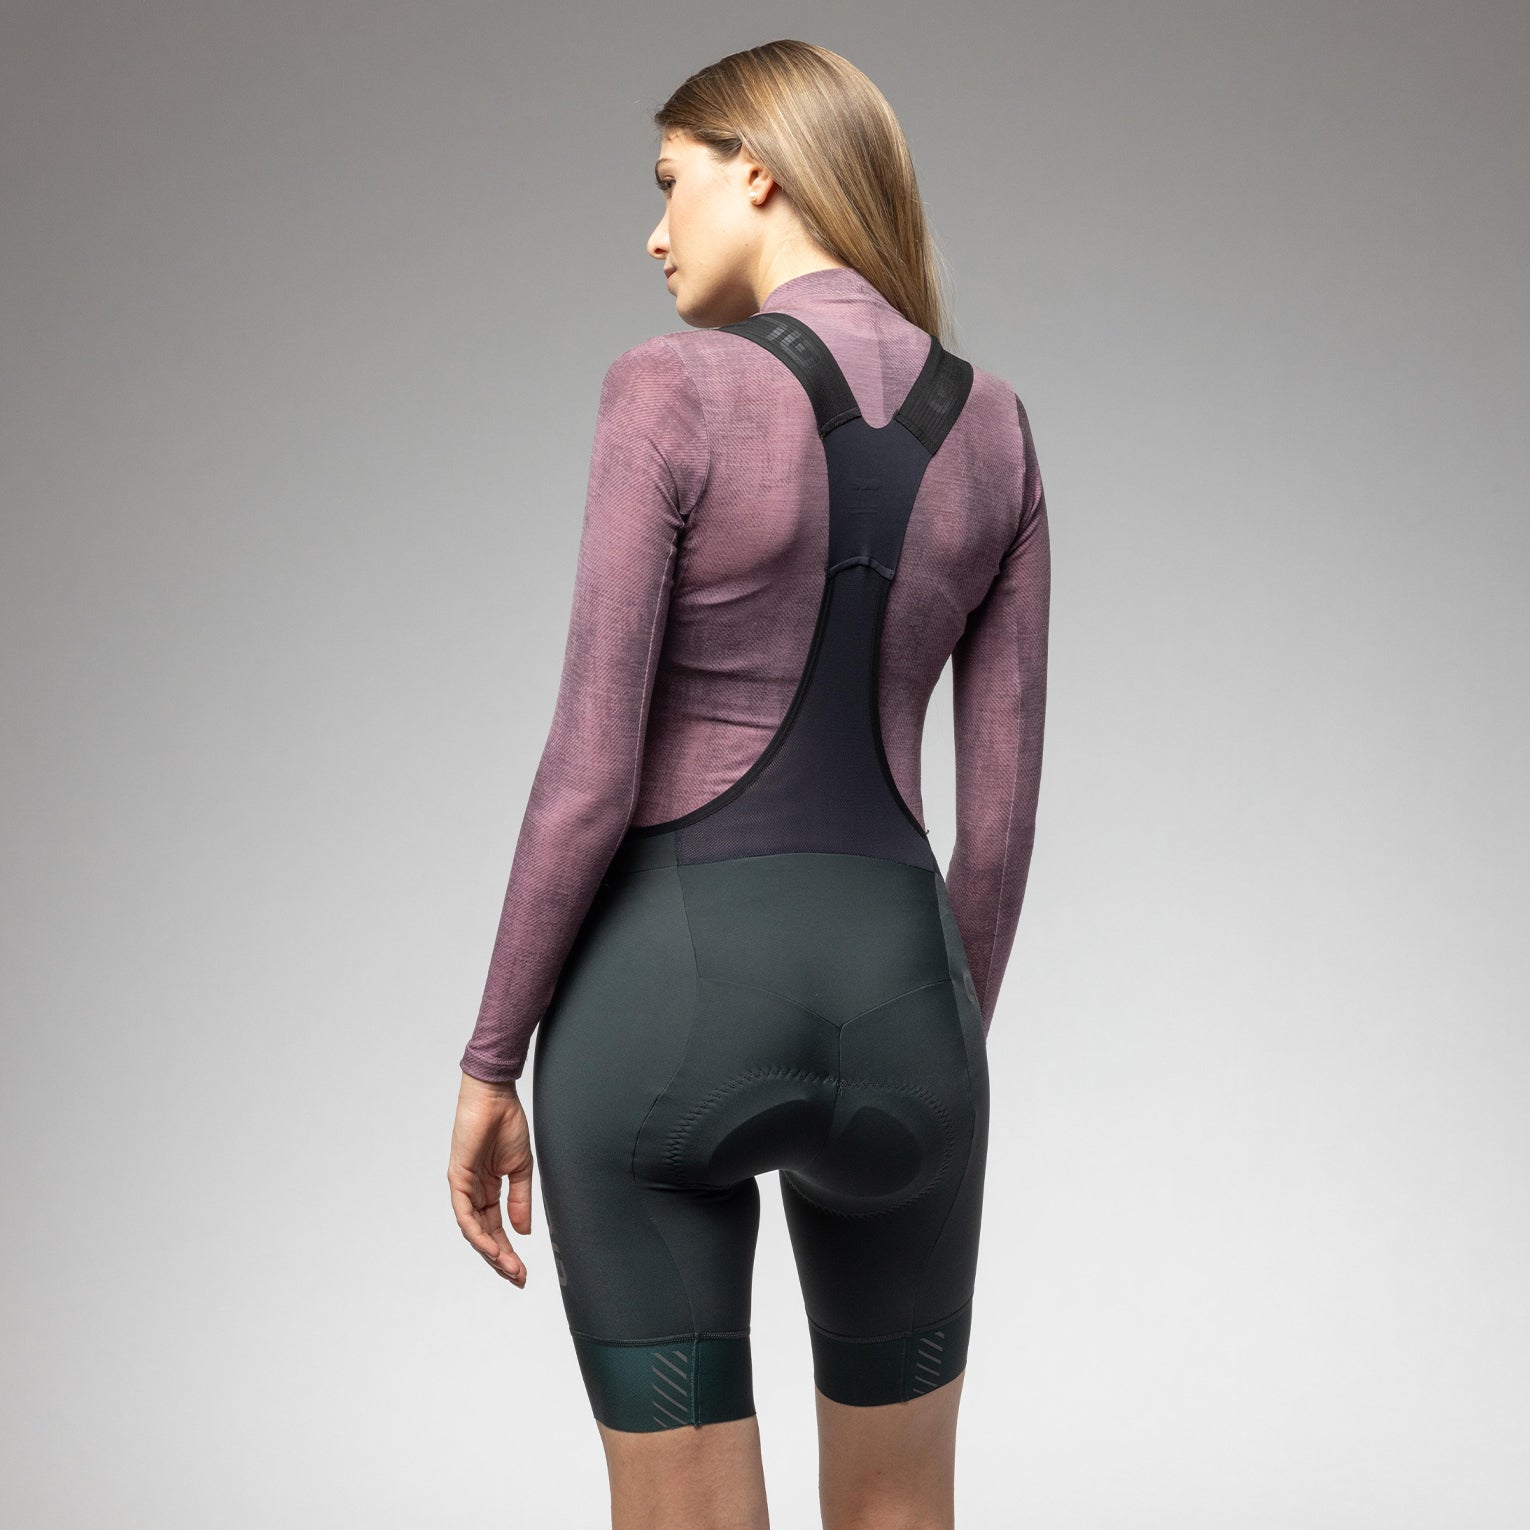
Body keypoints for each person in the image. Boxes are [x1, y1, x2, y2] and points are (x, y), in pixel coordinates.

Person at [447, 38, 1050, 1530]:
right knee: (903, 1512)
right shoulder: (998, 428)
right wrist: (929, 1052)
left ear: (759, 170)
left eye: (672, 182)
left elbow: (588, 773)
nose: (655, 233)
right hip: (910, 1012)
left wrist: (488, 1059)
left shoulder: (669, 389)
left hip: (664, 1015)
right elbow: (998, 829)